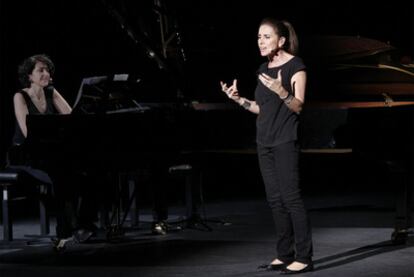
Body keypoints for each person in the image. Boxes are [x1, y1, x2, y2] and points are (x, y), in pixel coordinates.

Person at [220, 18, 313, 274]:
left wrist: (282, 91)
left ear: (281, 40)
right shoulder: (263, 68)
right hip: (264, 141)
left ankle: (304, 257)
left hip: (285, 140)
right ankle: (284, 254)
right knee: (274, 200)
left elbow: (298, 106)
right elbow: (262, 108)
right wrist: (240, 101)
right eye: (259, 37)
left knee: (291, 199)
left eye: (266, 37)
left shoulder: (296, 66)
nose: (261, 41)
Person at [11, 54, 96, 249]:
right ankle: (69, 230)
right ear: (29, 76)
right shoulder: (20, 96)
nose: (46, 73)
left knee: (88, 170)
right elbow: (27, 133)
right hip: (25, 153)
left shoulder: (51, 91)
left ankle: (82, 224)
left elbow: (71, 118)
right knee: (61, 173)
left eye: (47, 70)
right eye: (40, 70)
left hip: (51, 152)